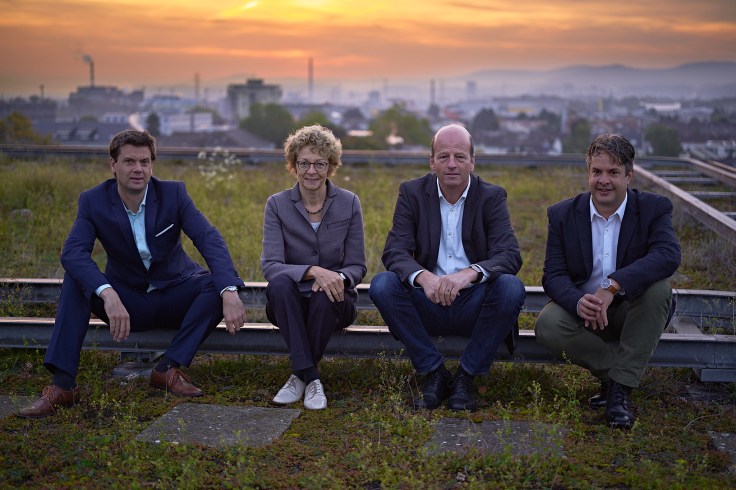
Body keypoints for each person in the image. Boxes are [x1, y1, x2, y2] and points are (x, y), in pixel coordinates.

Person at [18, 130, 247, 419]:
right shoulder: (93, 201)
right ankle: (63, 386)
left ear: (152, 165)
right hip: (128, 304)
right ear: (113, 165)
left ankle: (167, 369)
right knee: (76, 278)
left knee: (221, 283)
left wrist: (229, 291)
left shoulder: (174, 194)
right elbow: (73, 252)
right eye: (129, 161)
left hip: (176, 295)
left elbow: (208, 238)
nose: (138, 169)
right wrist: (107, 292)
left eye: (144, 162)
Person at [369, 124, 525, 412]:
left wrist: (468, 274)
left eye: (460, 156)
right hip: (427, 302)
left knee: (510, 288)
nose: (452, 164)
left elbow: (509, 255)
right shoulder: (412, 193)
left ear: (472, 161)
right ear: (432, 161)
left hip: (474, 303)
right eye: (443, 156)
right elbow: (395, 251)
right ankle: (434, 372)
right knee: (383, 285)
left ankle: (466, 376)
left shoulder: (492, 197)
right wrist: (424, 278)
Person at [535, 133, 681, 429]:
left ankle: (617, 394)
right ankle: (620, 376)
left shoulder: (653, 208)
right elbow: (553, 275)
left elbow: (668, 255)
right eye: (597, 172)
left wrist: (613, 286)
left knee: (659, 291)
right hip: (586, 315)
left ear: (629, 176)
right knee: (547, 323)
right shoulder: (563, 215)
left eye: (613, 172)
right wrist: (579, 302)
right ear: (588, 173)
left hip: (632, 311)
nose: (604, 181)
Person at [261, 124, 366, 410]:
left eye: (319, 164)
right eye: (304, 163)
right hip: (288, 304)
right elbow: (271, 266)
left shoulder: (349, 202)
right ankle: (312, 378)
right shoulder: (277, 205)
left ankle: (299, 376)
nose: (311, 171)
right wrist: (313, 271)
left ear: (330, 166)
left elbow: (357, 265)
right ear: (293, 165)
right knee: (280, 284)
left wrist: (336, 278)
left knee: (326, 292)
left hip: (335, 303)